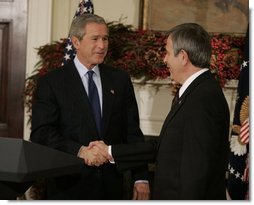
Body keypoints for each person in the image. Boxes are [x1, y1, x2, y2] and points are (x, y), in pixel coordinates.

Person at [89, 23, 230, 200]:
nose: (164, 60)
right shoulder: (195, 92)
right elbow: (163, 147)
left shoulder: (203, 99)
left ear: (183, 57)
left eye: (168, 53)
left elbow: (196, 172)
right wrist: (110, 151)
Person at [30, 13, 150, 200]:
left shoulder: (119, 80)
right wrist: (80, 151)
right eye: (95, 39)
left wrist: (141, 178)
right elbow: (42, 134)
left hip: (111, 189)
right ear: (76, 42)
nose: (102, 46)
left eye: (105, 39)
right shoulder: (52, 82)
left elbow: (132, 132)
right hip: (68, 188)